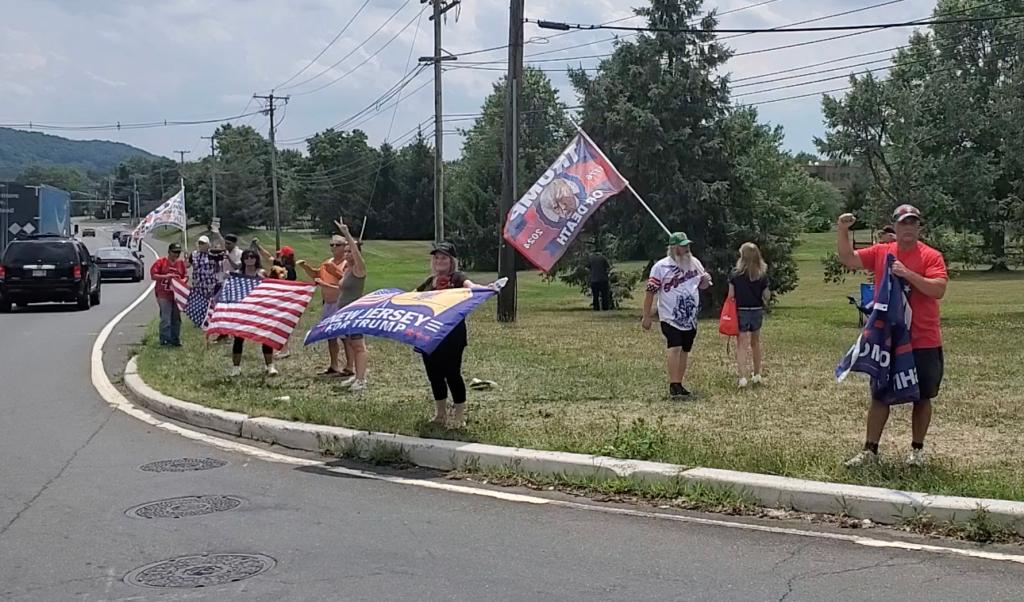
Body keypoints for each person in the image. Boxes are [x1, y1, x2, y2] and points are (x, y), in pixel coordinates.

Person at [836, 205, 948, 467]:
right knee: (880, 395)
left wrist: (907, 274)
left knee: (922, 396)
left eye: (913, 223)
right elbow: (848, 258)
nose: (908, 228)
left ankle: (917, 452)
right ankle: (869, 451)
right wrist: (842, 230)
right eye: (903, 223)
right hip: (888, 339)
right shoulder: (882, 252)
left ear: (919, 227)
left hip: (923, 338)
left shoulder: (931, 256)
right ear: (895, 226)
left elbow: (938, 289)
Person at [416, 242, 484, 428]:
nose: (440, 261)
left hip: (452, 335)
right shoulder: (430, 282)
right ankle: (440, 414)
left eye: (444, 257)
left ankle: (459, 416)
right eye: (437, 257)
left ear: (451, 260)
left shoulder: (458, 278)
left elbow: (471, 286)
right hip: (429, 335)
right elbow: (412, 298)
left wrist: (486, 289)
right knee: (434, 375)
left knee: (452, 373)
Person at [642, 232, 713, 399]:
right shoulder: (661, 267)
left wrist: (705, 280)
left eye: (687, 245)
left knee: (685, 349)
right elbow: (650, 292)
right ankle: (673, 384)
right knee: (675, 346)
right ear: (674, 248)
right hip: (669, 316)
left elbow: (702, 286)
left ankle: (680, 383)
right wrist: (646, 315)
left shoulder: (694, 263)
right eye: (683, 246)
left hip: (690, 317)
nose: (687, 248)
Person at [315, 220, 368, 391]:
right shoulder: (346, 270)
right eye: (345, 252)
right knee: (352, 344)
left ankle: (361, 379)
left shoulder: (359, 269)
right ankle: (356, 376)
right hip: (344, 311)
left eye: (349, 251)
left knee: (359, 346)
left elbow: (356, 252)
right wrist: (324, 285)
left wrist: (346, 234)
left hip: (355, 312)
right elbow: (340, 289)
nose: (347, 254)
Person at [297, 232, 352, 377]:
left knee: (346, 337)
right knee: (330, 335)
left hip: (341, 304)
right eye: (331, 245)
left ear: (346, 246)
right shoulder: (328, 261)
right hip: (328, 303)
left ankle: (350, 366)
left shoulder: (347, 262)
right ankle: (334, 366)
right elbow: (317, 275)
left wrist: (333, 270)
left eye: (338, 245)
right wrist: (305, 267)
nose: (334, 247)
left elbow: (346, 281)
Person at [229, 249, 279, 377]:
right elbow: (233, 290)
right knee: (239, 338)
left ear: (256, 258)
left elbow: (270, 288)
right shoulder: (238, 273)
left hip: (260, 309)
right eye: (246, 257)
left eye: (252, 257)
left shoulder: (261, 272)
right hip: (243, 309)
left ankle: (270, 366)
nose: (249, 259)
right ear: (243, 259)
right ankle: (236, 367)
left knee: (266, 337)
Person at [728, 243, 771, 388]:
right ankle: (757, 374)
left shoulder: (735, 275)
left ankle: (742, 377)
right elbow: (766, 295)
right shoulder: (762, 275)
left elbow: (731, 295)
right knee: (755, 343)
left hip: (741, 310)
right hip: (757, 309)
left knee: (741, 344)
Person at [150, 243, 187, 347]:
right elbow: (153, 275)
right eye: (174, 252)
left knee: (176, 318)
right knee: (166, 318)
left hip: (176, 294)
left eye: (178, 252)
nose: (176, 254)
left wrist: (182, 281)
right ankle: (165, 340)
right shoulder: (161, 262)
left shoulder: (180, 263)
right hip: (163, 293)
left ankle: (175, 339)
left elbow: (185, 276)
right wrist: (166, 276)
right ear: (169, 251)